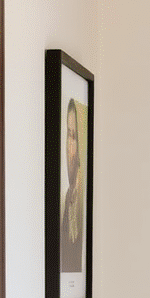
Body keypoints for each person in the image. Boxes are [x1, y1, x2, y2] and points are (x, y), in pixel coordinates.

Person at [60, 97, 85, 273]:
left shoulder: (80, 200)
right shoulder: (66, 198)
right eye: (68, 135)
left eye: (74, 137)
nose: (69, 145)